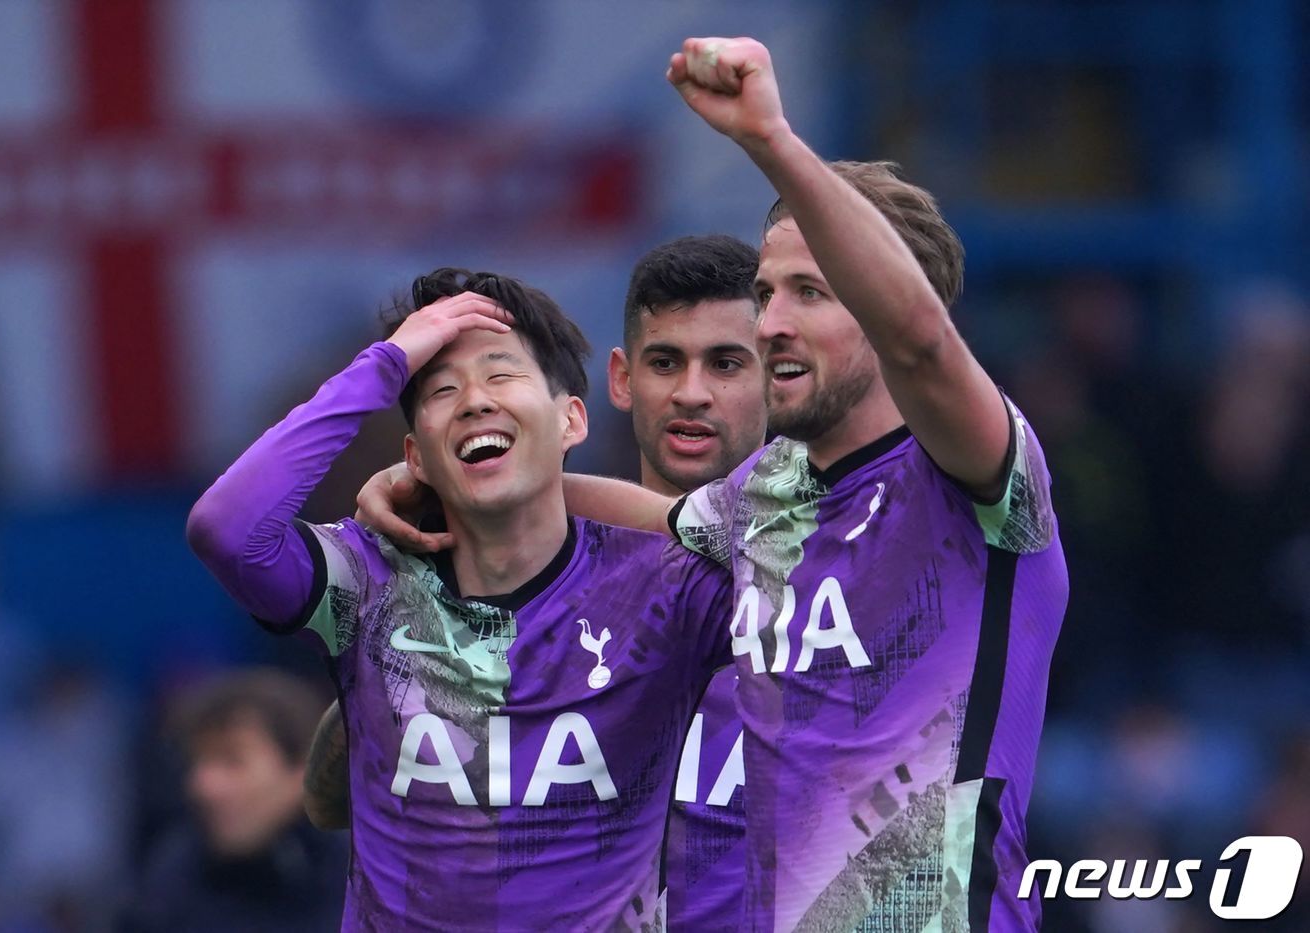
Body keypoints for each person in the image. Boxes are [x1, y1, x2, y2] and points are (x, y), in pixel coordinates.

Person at [360, 36, 1069, 930]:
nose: (772, 322)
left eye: (810, 292)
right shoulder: (767, 493)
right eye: (768, 293)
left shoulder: (980, 480)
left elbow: (923, 342)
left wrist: (770, 139)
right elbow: (655, 516)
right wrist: (457, 480)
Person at [186, 268, 733, 930]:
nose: (474, 400)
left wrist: (551, 485)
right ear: (415, 454)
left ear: (572, 419)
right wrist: (385, 366)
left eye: (501, 375)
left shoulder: (665, 585)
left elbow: (791, 559)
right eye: (442, 389)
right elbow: (228, 529)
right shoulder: (367, 580)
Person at [119, 669, 347, 933]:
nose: (203, 785)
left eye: (232, 761)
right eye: (196, 762)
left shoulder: (365, 880)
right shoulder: (169, 878)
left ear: (304, 770)